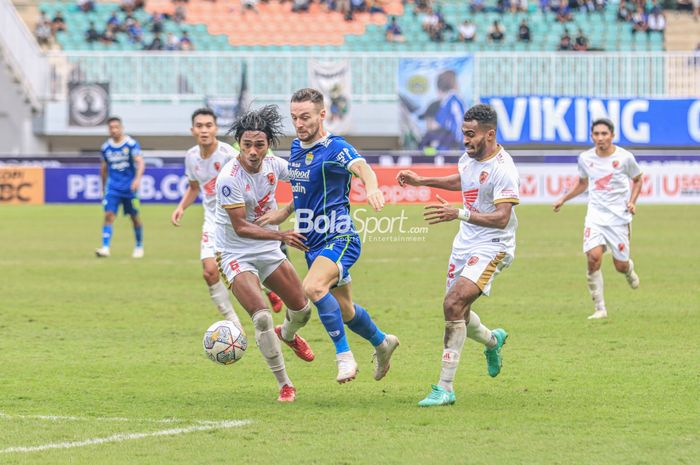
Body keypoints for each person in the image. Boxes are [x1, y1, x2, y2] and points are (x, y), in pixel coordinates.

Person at [259, 88, 399, 384]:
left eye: (306, 117)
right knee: (346, 311)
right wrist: (283, 215)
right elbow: (304, 192)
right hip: (312, 243)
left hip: (340, 236)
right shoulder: (297, 147)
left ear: (322, 115)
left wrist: (371, 187)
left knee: (312, 287)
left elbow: (362, 167)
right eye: (295, 117)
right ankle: (383, 343)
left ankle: (344, 356)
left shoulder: (336, 147)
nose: (299, 123)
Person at [396, 104, 517, 407]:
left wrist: (459, 213)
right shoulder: (469, 157)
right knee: (458, 312)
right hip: (464, 243)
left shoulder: (504, 169)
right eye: (464, 134)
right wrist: (422, 181)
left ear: (490, 134)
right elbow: (463, 179)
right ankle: (492, 340)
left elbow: (502, 217)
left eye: (471, 135)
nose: (465, 140)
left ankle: (444, 387)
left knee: (452, 303)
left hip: (493, 244)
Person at [214, 105, 316, 402]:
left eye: (259, 144)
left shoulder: (275, 165)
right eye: (247, 145)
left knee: (303, 309)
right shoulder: (229, 178)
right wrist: (282, 233)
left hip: (267, 247)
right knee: (260, 318)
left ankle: (289, 333)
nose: (253, 151)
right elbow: (241, 227)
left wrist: (288, 209)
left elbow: (306, 185)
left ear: (268, 144)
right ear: (239, 144)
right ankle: (285, 383)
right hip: (235, 251)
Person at [552, 118, 642, 320]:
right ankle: (600, 308)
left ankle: (628, 269)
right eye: (596, 134)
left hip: (618, 218)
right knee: (593, 258)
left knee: (620, 266)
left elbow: (637, 179)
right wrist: (563, 199)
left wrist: (632, 201)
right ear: (592, 136)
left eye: (604, 134)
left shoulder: (625, 158)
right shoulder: (585, 158)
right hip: (595, 217)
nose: (600, 138)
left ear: (612, 135)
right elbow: (583, 183)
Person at [171, 108, 244, 330]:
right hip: (212, 221)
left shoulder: (229, 156)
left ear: (216, 128)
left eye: (208, 125)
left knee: (248, 272)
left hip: (237, 219)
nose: (204, 130)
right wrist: (181, 206)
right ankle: (234, 323)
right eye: (200, 126)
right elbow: (194, 188)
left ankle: (270, 292)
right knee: (209, 271)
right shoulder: (191, 156)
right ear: (192, 130)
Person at [95, 117, 145, 258]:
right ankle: (105, 247)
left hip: (130, 189)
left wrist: (137, 180)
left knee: (134, 217)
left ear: (122, 128)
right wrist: (103, 187)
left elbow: (140, 163)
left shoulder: (130, 144)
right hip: (113, 188)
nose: (114, 130)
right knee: (108, 216)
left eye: (117, 127)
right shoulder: (106, 148)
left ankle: (139, 246)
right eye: (111, 127)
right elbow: (104, 169)